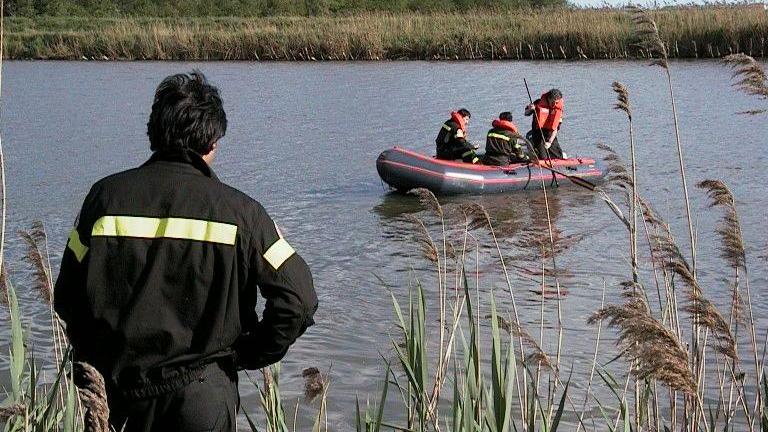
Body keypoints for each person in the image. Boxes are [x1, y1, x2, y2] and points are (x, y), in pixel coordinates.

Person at [53, 71, 318, 432]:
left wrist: (96, 363)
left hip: (118, 396)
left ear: (153, 133)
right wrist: (247, 354)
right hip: (202, 399)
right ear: (212, 141)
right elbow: (298, 299)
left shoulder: (103, 200)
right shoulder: (242, 213)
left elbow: (67, 297)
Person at [525, 88, 565, 159]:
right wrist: (530, 109)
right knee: (543, 157)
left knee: (557, 155)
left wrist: (550, 142)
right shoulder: (538, 103)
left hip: (550, 134)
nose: (554, 104)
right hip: (538, 134)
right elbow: (526, 113)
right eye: (553, 102)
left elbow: (555, 129)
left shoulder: (558, 110)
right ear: (548, 98)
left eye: (556, 103)